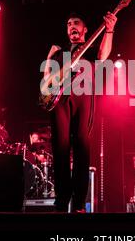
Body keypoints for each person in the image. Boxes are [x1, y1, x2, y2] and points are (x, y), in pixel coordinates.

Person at [44, 11, 117, 212]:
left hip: (83, 97)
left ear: (84, 29)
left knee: (81, 149)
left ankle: (78, 203)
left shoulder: (91, 48)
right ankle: (61, 199)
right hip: (60, 101)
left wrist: (109, 30)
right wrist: (49, 59)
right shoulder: (59, 52)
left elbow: (103, 56)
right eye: (68, 24)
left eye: (76, 23)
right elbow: (46, 81)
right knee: (60, 149)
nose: (72, 26)